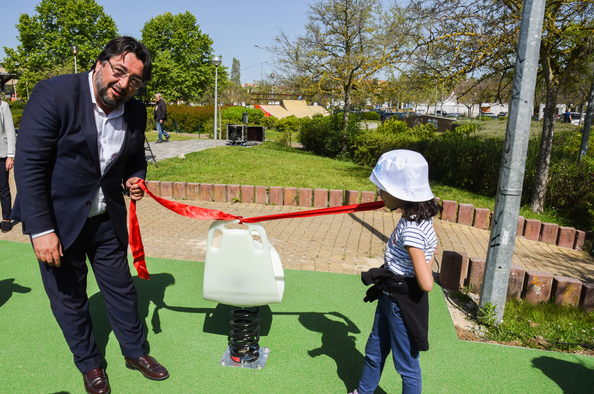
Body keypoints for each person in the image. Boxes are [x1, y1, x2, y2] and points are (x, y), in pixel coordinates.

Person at [12, 36, 169, 394]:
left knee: (122, 290)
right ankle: (90, 364)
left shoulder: (135, 110)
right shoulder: (54, 93)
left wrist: (136, 177)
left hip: (105, 218)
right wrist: (40, 230)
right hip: (57, 221)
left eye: (135, 81)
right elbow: (29, 165)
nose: (124, 84)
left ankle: (134, 351)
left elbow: (135, 158)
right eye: (119, 72)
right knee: (69, 298)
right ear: (100, 64)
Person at [349, 150, 441, 394]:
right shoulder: (420, 217)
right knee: (374, 351)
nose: (378, 194)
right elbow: (434, 244)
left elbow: (427, 284)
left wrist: (418, 267)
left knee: (406, 366)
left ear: (400, 192)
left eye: (382, 189)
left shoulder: (411, 231)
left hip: (403, 305)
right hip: (389, 298)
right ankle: (363, 391)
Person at [0, 95, 16, 233]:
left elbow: (10, 132)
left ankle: (6, 219)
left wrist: (10, 155)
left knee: (3, 188)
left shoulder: (3, 106)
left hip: (1, 154)